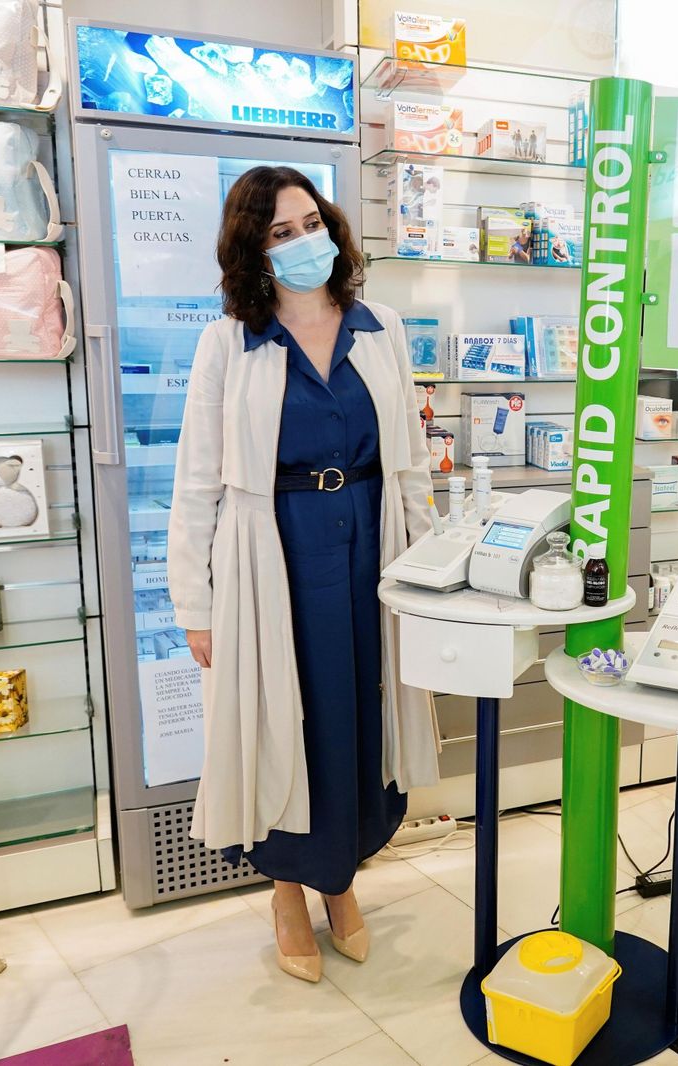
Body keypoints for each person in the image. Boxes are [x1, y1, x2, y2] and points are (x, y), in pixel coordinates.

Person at [168, 166, 440, 984]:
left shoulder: (380, 327)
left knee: (357, 715)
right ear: (253, 252)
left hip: (370, 548)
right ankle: (288, 890)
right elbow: (197, 480)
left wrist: (429, 569)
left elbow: (410, 464)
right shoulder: (230, 342)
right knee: (282, 720)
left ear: (332, 226)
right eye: (280, 234)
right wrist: (194, 604)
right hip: (273, 556)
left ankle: (341, 880)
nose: (301, 242)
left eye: (310, 224)